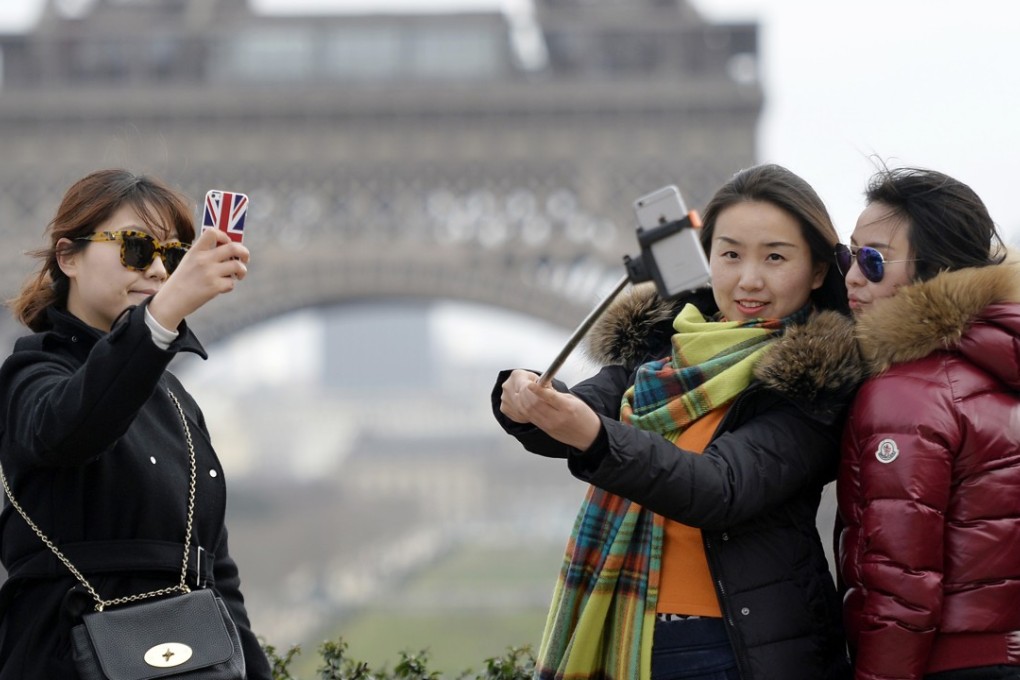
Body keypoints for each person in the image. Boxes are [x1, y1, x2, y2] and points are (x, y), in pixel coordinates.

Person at [493, 164, 864, 680]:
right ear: (706, 258)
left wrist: (593, 437)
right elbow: (579, 409)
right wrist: (526, 399)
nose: (748, 278)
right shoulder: (663, 352)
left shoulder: (817, 378)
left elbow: (719, 488)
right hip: (634, 635)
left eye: (775, 257)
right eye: (730, 254)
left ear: (819, 271)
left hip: (731, 649)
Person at [0, 168, 272, 679]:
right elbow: (70, 429)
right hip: (64, 656)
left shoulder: (175, 400)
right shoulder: (31, 373)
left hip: (185, 660)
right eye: (135, 247)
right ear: (68, 257)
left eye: (172, 256)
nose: (157, 270)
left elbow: (214, 571)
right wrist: (162, 318)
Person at [836, 166, 1020, 680]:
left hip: (944, 666)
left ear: (933, 271)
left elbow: (900, 584)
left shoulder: (904, 393)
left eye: (872, 260)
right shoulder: (999, 369)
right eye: (846, 256)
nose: (851, 276)